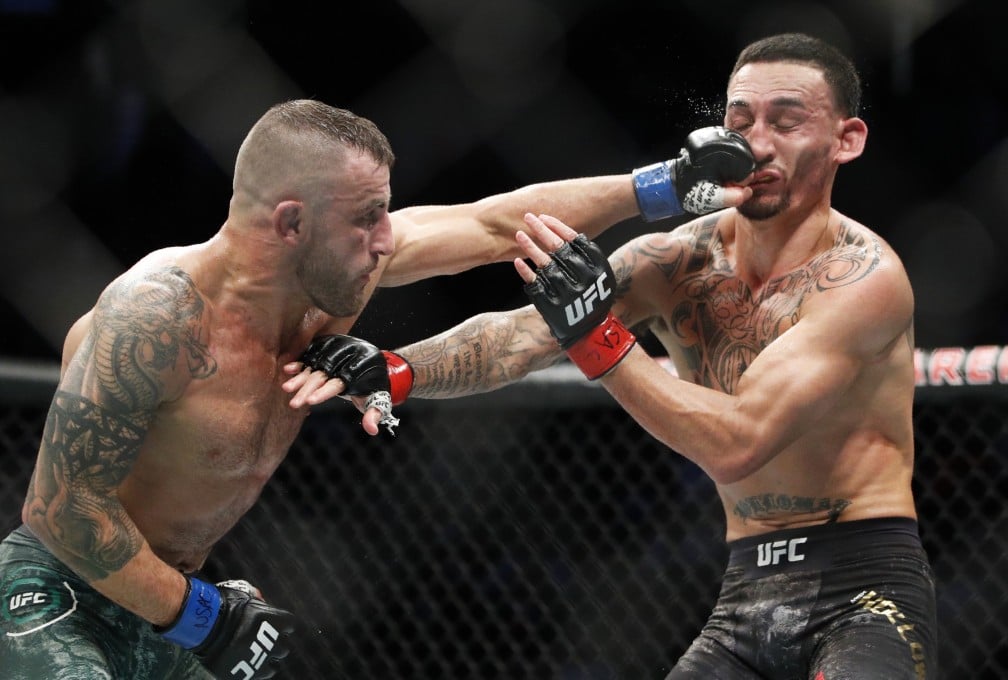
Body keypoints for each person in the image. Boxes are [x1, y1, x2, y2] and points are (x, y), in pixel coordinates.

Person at [0, 99, 748, 679]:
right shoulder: (156, 318)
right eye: (366, 219)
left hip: (169, 600)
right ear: (291, 224)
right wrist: (204, 618)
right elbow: (62, 508)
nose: (387, 240)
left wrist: (667, 185)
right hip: (62, 591)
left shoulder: (334, 279)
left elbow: (495, 224)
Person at [288, 34, 938, 679]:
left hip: (864, 591)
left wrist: (594, 335)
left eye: (786, 122)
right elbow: (521, 337)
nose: (756, 144)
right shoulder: (677, 260)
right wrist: (397, 369)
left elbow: (741, 441)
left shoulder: (864, 280)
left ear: (847, 140)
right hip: (745, 594)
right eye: (740, 122)